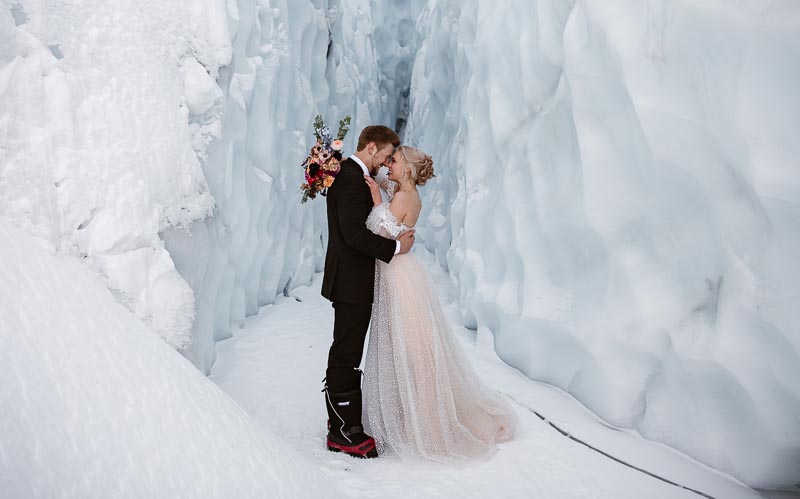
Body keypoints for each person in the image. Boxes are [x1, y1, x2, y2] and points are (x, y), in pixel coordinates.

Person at [362, 145, 516, 461]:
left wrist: (378, 200)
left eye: (394, 161)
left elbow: (380, 230)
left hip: (399, 275)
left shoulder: (407, 198)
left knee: (412, 348)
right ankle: (407, 416)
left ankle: (425, 423)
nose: (389, 164)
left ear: (406, 168)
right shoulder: (402, 192)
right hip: (396, 270)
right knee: (399, 345)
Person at [321, 126, 416, 458]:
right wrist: (395, 249)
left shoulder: (352, 175)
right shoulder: (348, 178)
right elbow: (353, 236)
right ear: (372, 148)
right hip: (350, 281)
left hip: (354, 279)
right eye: (387, 156)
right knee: (346, 352)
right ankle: (343, 431)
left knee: (348, 350)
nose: (388, 161)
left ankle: (346, 423)